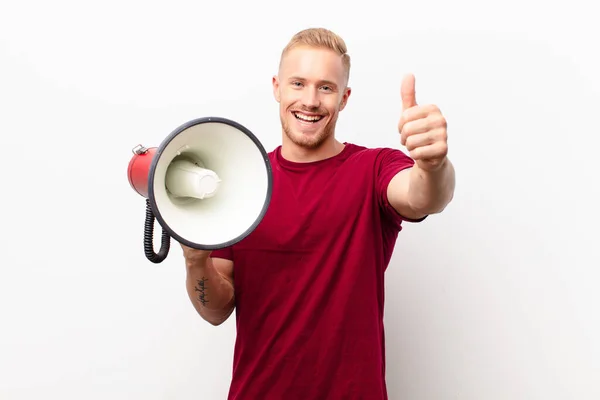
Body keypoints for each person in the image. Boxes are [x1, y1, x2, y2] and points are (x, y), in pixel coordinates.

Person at [180, 27, 455, 400]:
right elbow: (216, 310)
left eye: (326, 87)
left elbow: (424, 196)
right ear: (277, 87)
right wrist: (197, 262)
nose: (310, 100)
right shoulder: (240, 187)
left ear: (344, 98)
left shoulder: (372, 167)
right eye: (298, 83)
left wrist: (435, 164)